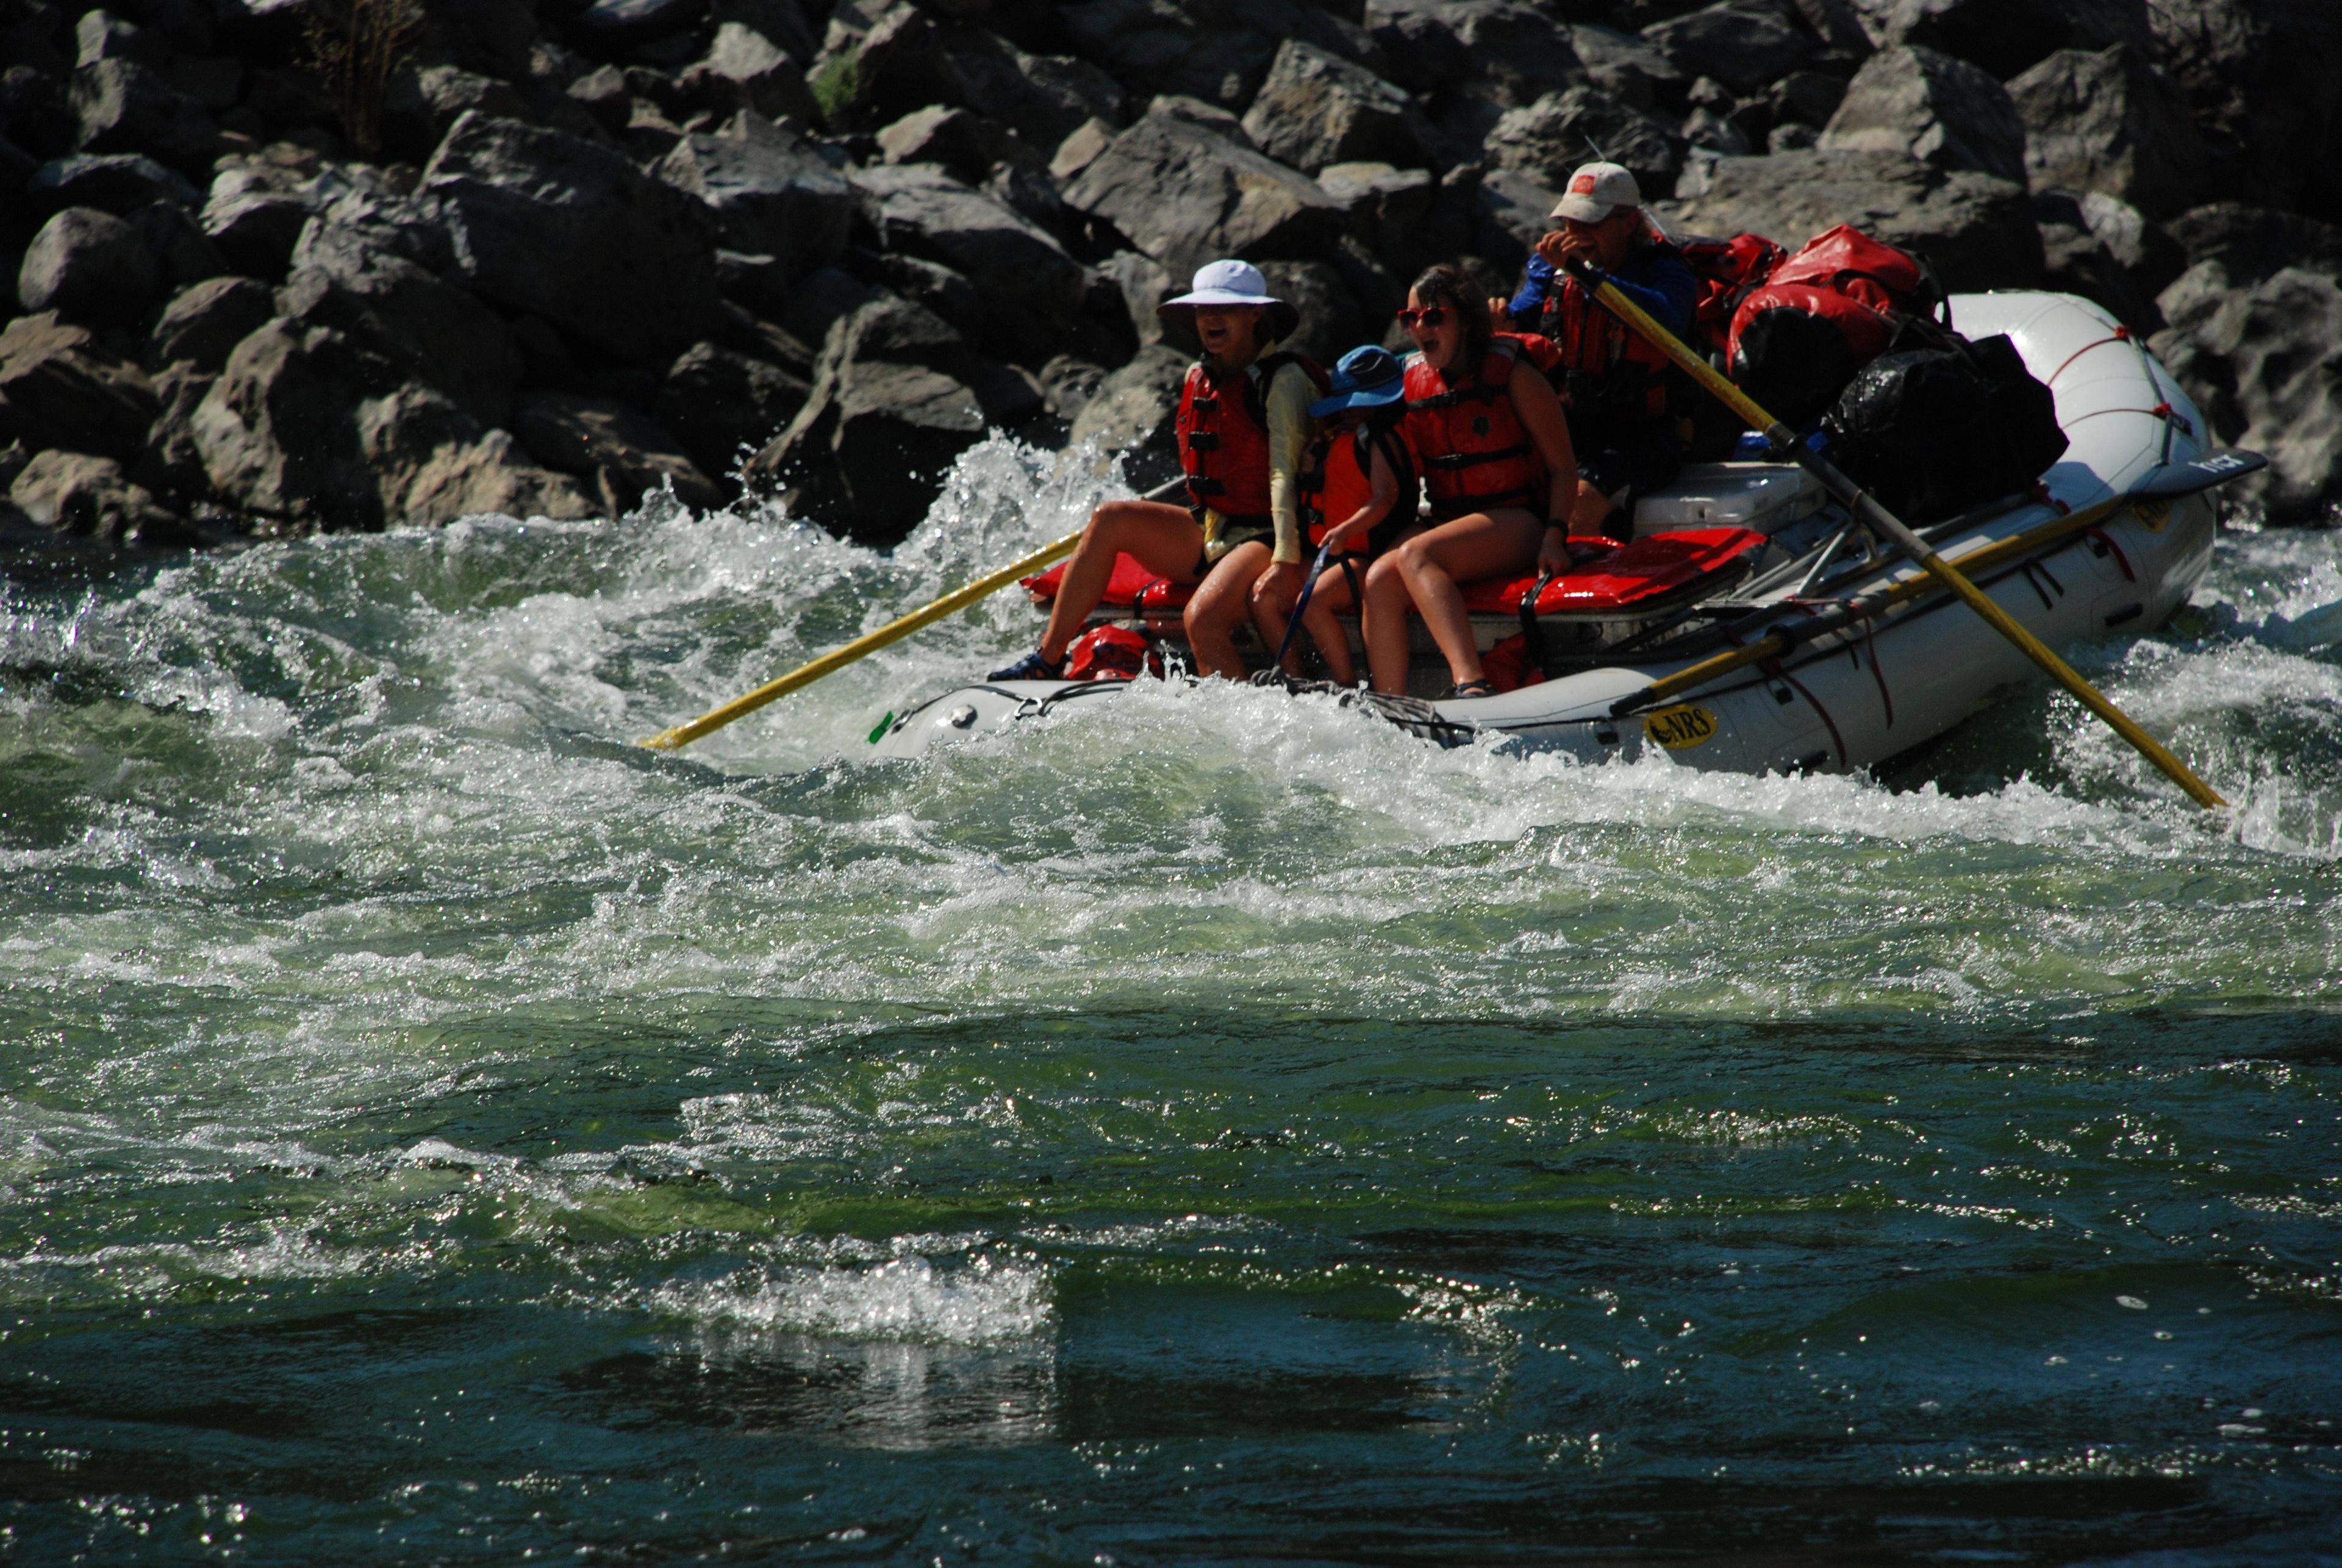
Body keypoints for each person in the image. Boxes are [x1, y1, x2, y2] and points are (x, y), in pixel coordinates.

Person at [988, 259, 1324, 682]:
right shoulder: (1198, 375)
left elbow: (1283, 476)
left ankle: (1240, 724)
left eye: (1225, 309)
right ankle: (1048, 658)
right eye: (1203, 310)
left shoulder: (1284, 380)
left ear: (1256, 313)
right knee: (1112, 518)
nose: (1211, 319)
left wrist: (1284, 558)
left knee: (1201, 618)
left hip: (1269, 536)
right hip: (1212, 529)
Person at [1361, 264, 1577, 698]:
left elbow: (1564, 468)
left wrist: (1554, 536)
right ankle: (1390, 704)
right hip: (1453, 523)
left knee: (1417, 554)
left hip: (1520, 522)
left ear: (1465, 319)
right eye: (1410, 319)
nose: (1421, 327)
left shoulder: (1515, 375)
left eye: (1434, 316)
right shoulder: (1411, 381)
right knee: (1379, 578)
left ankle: (1471, 684)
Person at [1495, 162, 1699, 542]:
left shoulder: (1665, 269)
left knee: (1577, 502)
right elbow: (1523, 316)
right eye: (1571, 223)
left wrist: (1587, 275)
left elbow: (1666, 319)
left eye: (1591, 224)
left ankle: (1608, 540)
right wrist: (1503, 321)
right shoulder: (1549, 265)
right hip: (1570, 426)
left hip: (1641, 434)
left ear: (1628, 223)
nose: (1577, 235)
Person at [1248, 345, 1417, 687]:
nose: (1346, 415)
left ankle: (1345, 686)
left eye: (1353, 406)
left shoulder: (1380, 439)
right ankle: (1294, 677)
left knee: (1312, 603)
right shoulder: (1341, 439)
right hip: (1336, 554)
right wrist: (1311, 468)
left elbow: (1385, 500)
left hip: (1367, 555)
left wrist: (1344, 531)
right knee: (1264, 596)